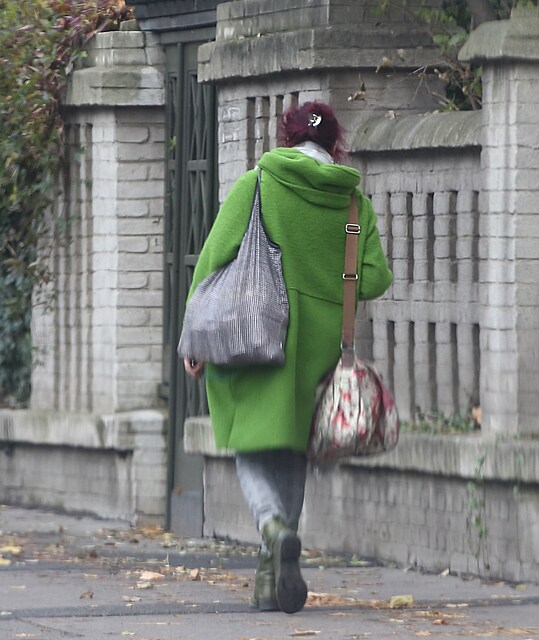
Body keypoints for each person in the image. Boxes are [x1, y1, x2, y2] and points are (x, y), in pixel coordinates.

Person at [183, 101, 393, 614]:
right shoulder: (352, 204)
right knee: (295, 451)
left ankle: (271, 526)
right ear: (334, 143)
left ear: (286, 135)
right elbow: (375, 279)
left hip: (253, 333)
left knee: (251, 447)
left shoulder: (257, 184)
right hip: (319, 345)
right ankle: (269, 577)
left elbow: (214, 259)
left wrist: (194, 339)